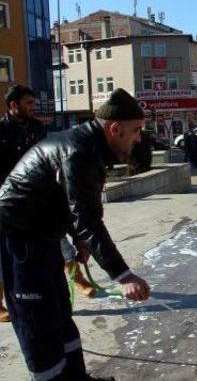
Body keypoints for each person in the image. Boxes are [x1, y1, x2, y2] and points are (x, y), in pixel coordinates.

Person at [0, 88, 151, 380]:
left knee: (59, 314)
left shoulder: (90, 145)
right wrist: (123, 275)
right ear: (115, 128)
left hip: (42, 237)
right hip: (18, 240)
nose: (139, 138)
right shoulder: (80, 151)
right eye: (135, 131)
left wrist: (79, 240)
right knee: (37, 322)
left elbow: (69, 201)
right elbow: (88, 219)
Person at [0, 85, 47, 322]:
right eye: (28, 103)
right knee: (4, 253)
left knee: (49, 243)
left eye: (33, 103)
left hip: (35, 199)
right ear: (13, 105)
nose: (33, 107)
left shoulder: (37, 129)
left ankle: (68, 280)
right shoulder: (1, 131)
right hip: (5, 202)